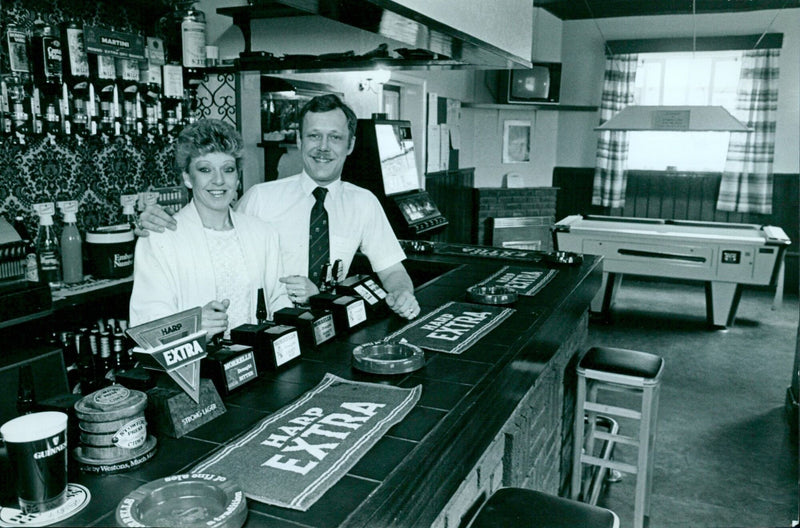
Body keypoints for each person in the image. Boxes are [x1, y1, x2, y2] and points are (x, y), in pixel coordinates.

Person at [138, 94, 420, 320]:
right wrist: (149, 222)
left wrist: (402, 294)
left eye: (334, 137)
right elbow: (215, 228)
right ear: (299, 140)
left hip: (329, 328)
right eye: (313, 136)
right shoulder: (261, 198)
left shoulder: (364, 202)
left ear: (350, 145)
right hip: (263, 337)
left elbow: (392, 271)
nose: (323, 147)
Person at [129, 119, 293, 338]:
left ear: (237, 178)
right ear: (187, 178)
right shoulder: (161, 238)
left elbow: (278, 302)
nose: (218, 180)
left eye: (228, 169)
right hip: (194, 368)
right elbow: (146, 325)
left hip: (256, 365)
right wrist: (192, 325)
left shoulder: (263, 233)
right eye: (205, 169)